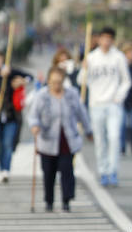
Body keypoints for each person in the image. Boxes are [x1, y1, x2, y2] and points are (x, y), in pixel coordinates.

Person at [27, 67, 92, 212]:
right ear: (48, 81)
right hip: (47, 140)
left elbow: (82, 113)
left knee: (67, 170)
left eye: (59, 82)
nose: (56, 85)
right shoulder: (41, 96)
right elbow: (33, 116)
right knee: (48, 172)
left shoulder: (72, 94)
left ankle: (66, 200)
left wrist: (88, 130)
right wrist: (34, 126)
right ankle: (49, 201)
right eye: (53, 82)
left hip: (67, 140)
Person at [83, 26, 132, 187]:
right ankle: (103, 171)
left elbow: (126, 81)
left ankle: (113, 171)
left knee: (113, 137)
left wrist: (118, 97)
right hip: (96, 104)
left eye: (109, 38)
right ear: (99, 39)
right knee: (100, 140)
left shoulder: (118, 57)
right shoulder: (91, 57)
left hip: (113, 105)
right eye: (103, 38)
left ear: (113, 40)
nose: (106, 41)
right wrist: (84, 69)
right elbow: (81, 82)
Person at [0, 48, 29, 183]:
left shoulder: (11, 71)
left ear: (1, 57)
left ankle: (6, 170)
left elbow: (28, 77)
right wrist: (2, 75)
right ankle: (1, 169)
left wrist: (21, 81)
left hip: (11, 114)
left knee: (8, 142)